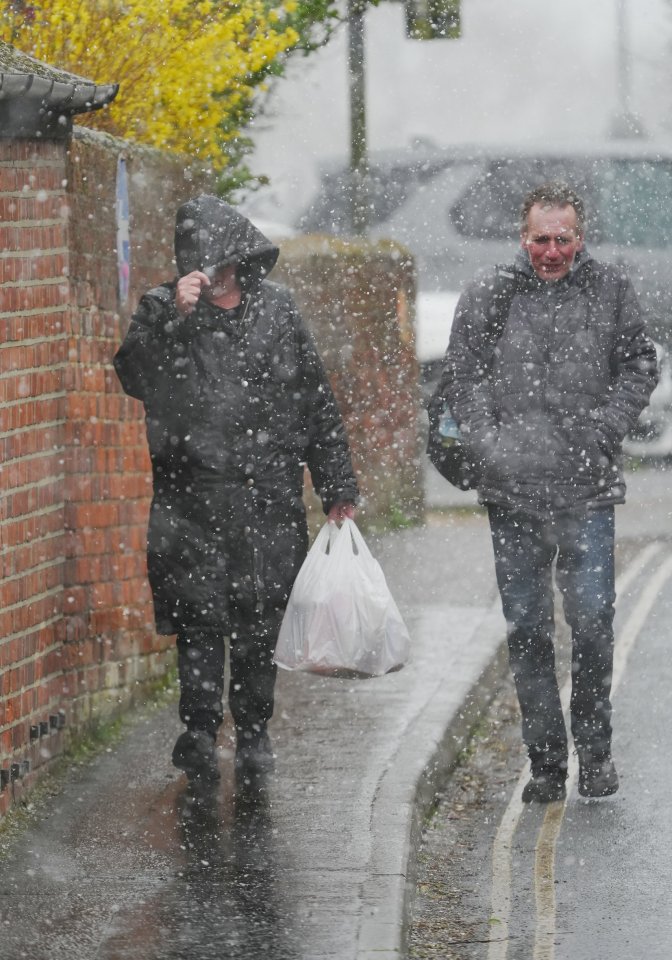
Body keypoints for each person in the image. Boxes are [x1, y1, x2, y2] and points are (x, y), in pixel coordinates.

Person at [114, 195, 358, 784]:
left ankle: (253, 732)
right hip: (191, 500)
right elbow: (135, 377)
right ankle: (197, 732)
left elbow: (315, 402)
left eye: (223, 259)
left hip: (266, 497)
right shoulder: (162, 308)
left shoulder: (277, 312)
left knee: (259, 622)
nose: (215, 270)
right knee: (199, 623)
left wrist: (336, 484)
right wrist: (176, 315)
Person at [433, 181, 658, 803]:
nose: (551, 251)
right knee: (528, 629)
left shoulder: (611, 289)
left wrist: (606, 428)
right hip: (513, 494)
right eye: (540, 239)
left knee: (590, 625)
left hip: (587, 491)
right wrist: (488, 442)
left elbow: (641, 362)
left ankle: (596, 751)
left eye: (562, 239)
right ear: (521, 237)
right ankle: (548, 764)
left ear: (580, 239)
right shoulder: (490, 292)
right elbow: (462, 374)